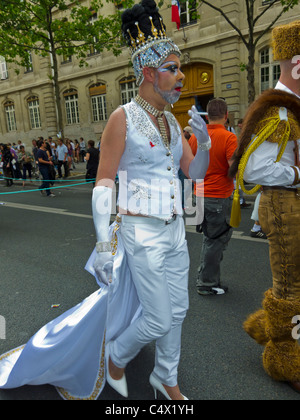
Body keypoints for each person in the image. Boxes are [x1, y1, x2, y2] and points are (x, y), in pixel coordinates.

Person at [0, 0, 209, 401]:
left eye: (179, 68)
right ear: (149, 72)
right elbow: (103, 183)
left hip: (176, 230)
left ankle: (166, 377)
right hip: (140, 231)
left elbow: (194, 174)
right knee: (157, 318)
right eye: (173, 68)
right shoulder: (123, 117)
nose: (181, 76)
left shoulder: (172, 120)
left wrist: (206, 145)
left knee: (178, 312)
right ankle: (115, 355)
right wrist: (101, 242)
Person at [229, 20, 300, 393]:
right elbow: (255, 168)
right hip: (286, 206)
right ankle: (283, 360)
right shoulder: (280, 111)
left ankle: (266, 326)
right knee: (290, 288)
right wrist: (298, 171)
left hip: (292, 202)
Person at [195, 98, 238, 296]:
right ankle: (207, 282)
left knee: (210, 238)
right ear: (226, 115)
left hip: (200, 194)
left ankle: (209, 278)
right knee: (216, 240)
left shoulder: (196, 137)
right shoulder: (229, 137)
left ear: (208, 115)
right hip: (219, 195)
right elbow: (234, 168)